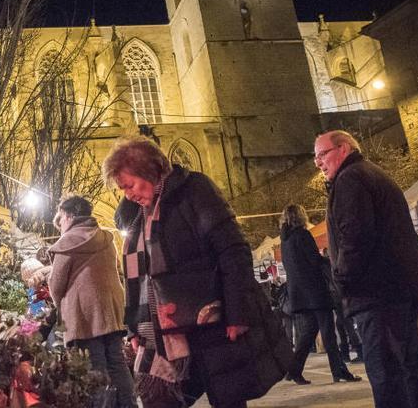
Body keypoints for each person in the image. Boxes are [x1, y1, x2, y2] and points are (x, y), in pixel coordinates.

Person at [104, 136, 291, 408]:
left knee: (227, 396)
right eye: (123, 188)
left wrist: (236, 314)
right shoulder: (138, 214)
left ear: (149, 170)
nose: (128, 194)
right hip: (166, 334)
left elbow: (232, 250)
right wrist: (136, 327)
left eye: (129, 184)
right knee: (161, 401)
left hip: (211, 322)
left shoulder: (193, 190)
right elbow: (141, 279)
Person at [315, 130, 418, 408]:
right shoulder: (372, 174)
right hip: (397, 290)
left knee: (387, 375)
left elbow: (355, 237)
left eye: (323, 154)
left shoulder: (350, 179)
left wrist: (342, 280)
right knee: (410, 371)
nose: (318, 163)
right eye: (316, 158)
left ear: (343, 149)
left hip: (377, 294)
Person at [48, 195, 137, 408]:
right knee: (117, 363)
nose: (61, 226)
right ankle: (128, 405)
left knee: (94, 368)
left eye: (61, 219)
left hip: (84, 315)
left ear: (69, 216)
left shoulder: (67, 243)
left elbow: (56, 285)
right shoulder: (105, 237)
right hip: (111, 309)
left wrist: (59, 306)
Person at [279, 204, 361, 385]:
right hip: (314, 292)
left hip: (299, 295)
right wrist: (330, 261)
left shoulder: (284, 241)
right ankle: (339, 371)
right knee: (328, 333)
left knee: (308, 333)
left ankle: (293, 370)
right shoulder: (303, 235)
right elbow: (314, 261)